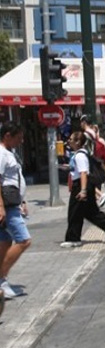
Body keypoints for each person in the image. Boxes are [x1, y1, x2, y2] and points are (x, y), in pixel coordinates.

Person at [61, 129, 105, 248]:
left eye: (71, 139)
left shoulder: (79, 156)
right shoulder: (81, 154)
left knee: (74, 212)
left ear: (78, 142)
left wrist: (82, 191)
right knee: (92, 213)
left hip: (81, 186)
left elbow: (83, 173)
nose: (69, 141)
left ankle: (73, 238)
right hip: (85, 185)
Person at [0, 123, 31, 299]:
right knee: (24, 240)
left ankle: (2, 282)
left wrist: (22, 200)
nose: (21, 140)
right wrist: (1, 207)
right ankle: (0, 276)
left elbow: (14, 179)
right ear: (7, 136)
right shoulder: (1, 153)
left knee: (5, 243)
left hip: (13, 203)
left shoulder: (9, 153)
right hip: (7, 206)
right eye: (18, 137)